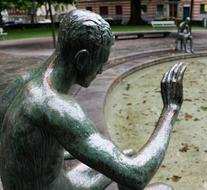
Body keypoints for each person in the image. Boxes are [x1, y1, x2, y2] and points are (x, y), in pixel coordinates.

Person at [0, 9, 186, 190]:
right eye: (101, 62)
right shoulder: (56, 107)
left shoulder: (20, 83)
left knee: (125, 155)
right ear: (82, 59)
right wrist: (171, 108)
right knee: (163, 187)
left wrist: (56, 153)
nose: (101, 71)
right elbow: (137, 175)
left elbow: (17, 146)